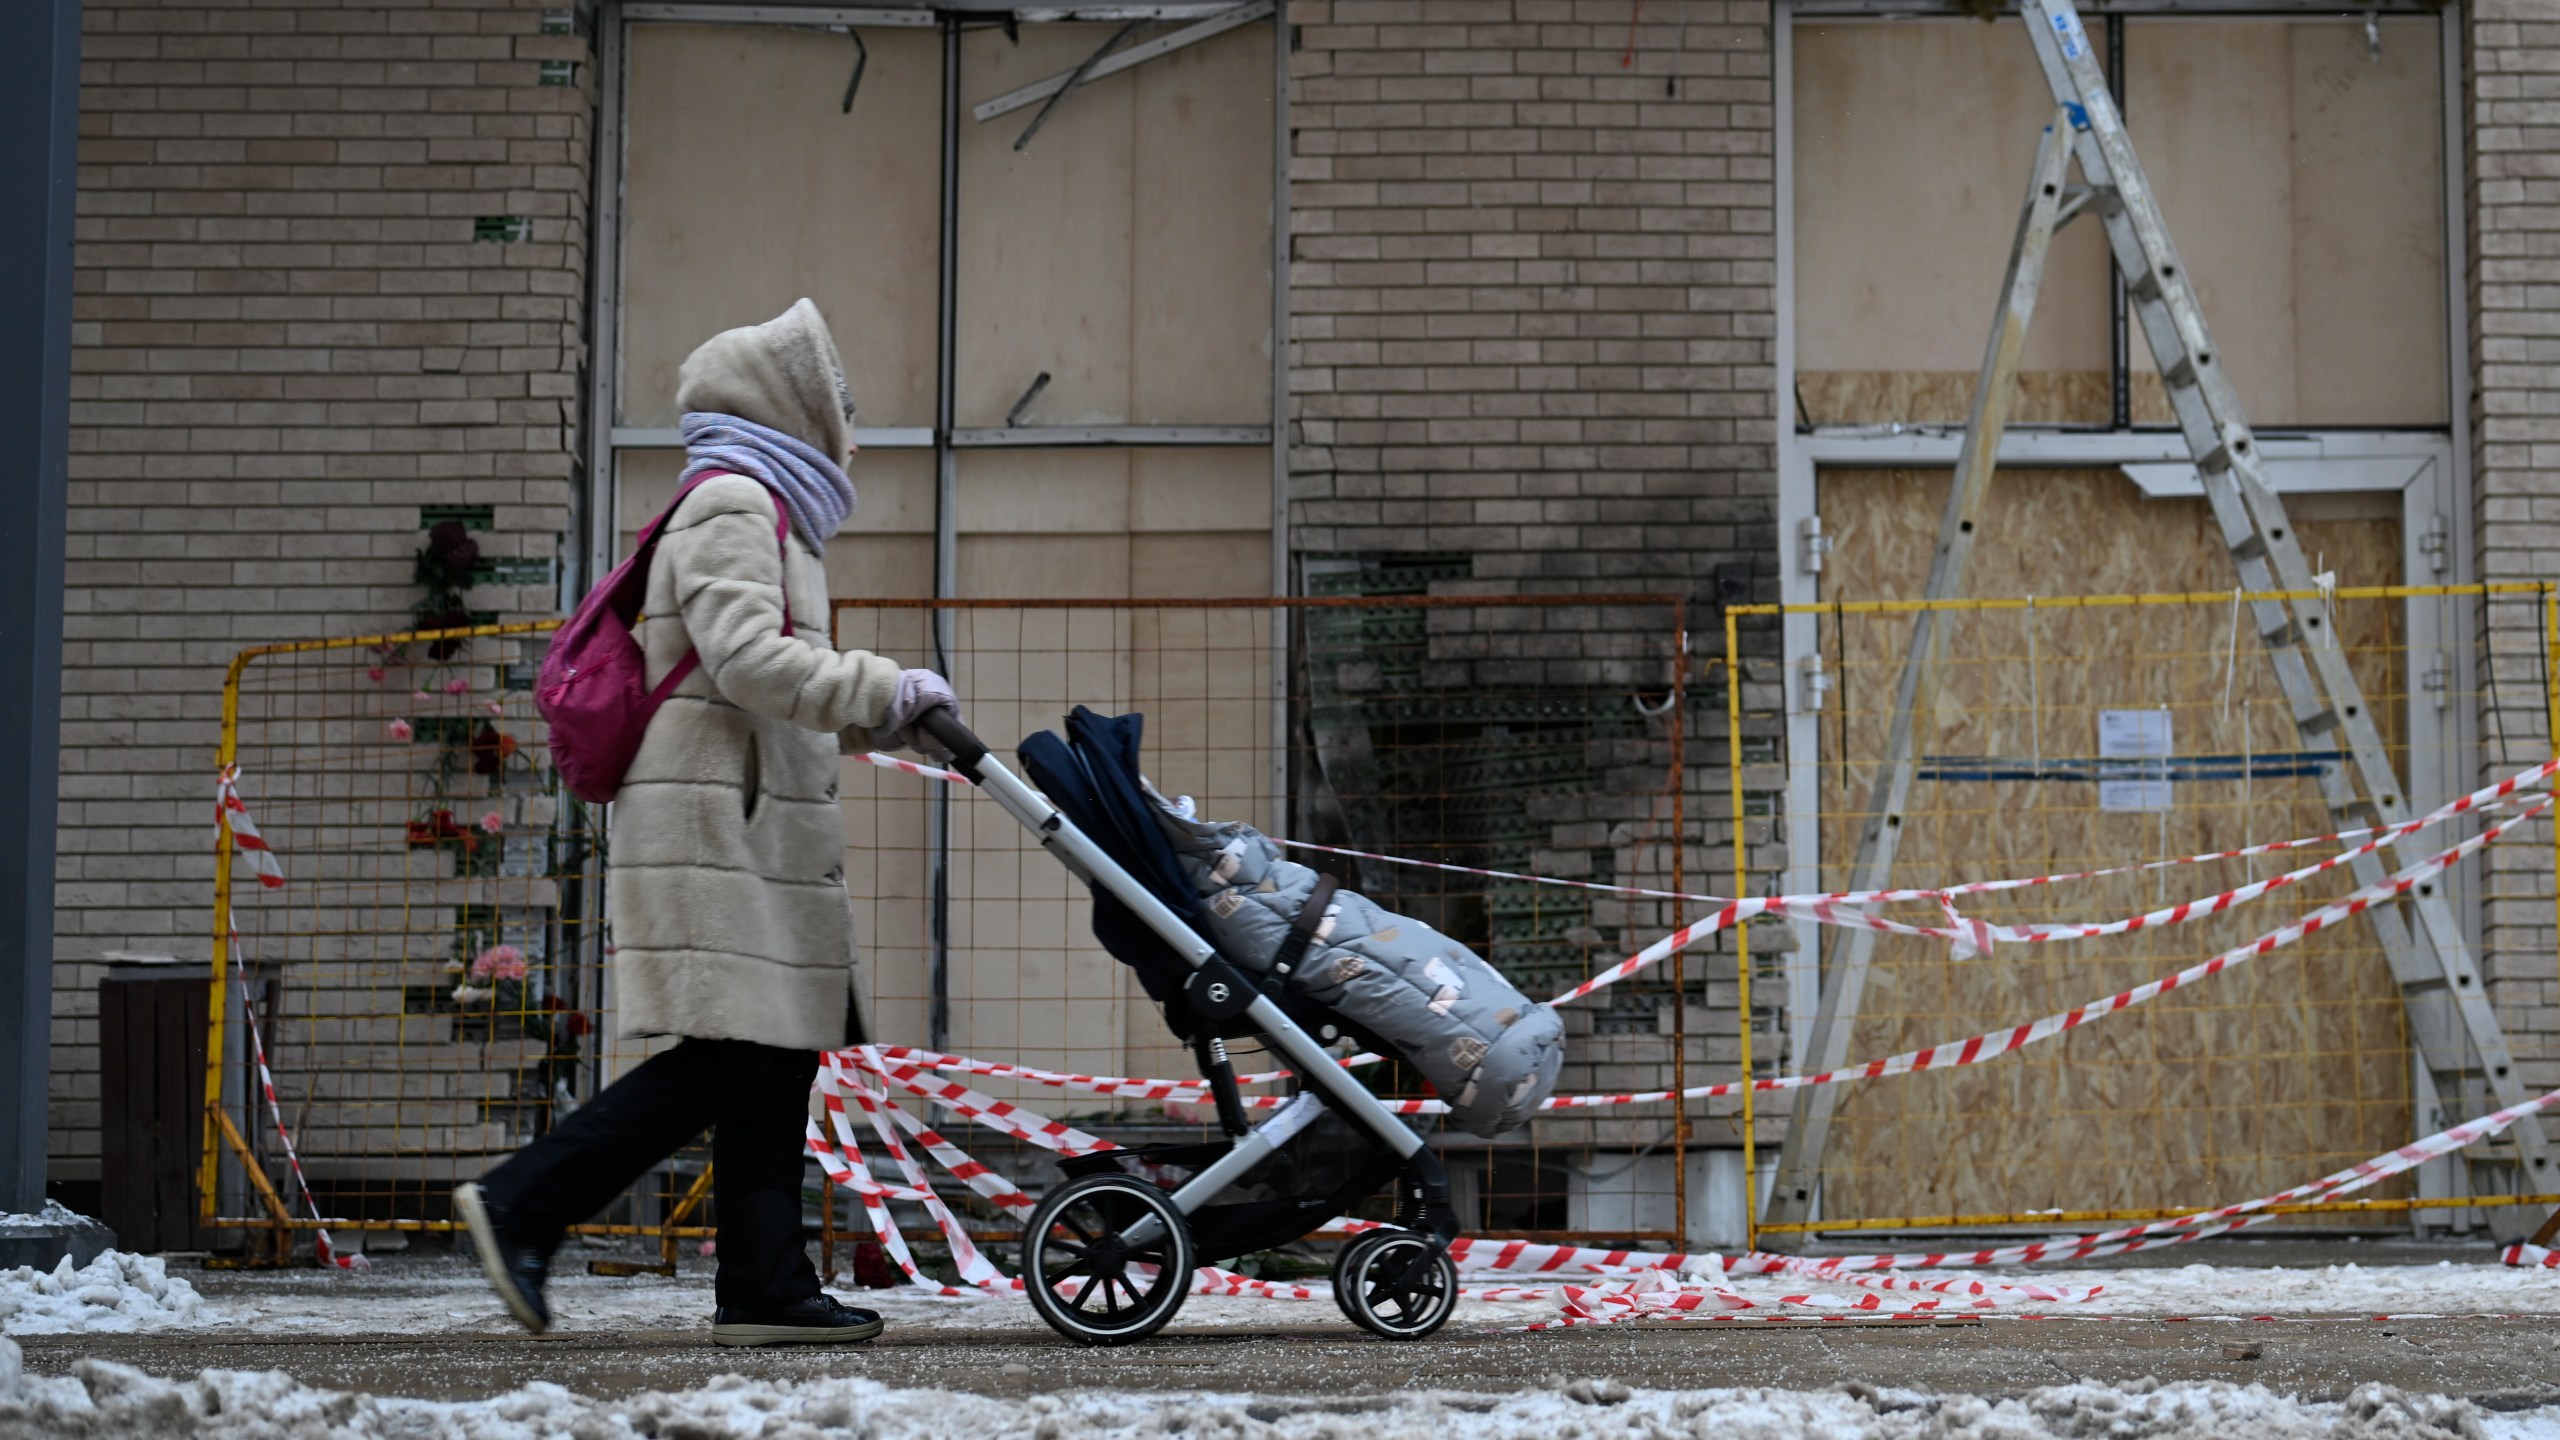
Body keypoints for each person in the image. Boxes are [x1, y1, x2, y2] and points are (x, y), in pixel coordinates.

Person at [455, 299, 954, 1347]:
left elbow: (756, 691)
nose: (851, 425)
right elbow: (743, 660)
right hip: (717, 830)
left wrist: (890, 722)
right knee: (736, 1055)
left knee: (778, 1055)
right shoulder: (734, 499)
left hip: (746, 825)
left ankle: (764, 1289)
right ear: (795, 403)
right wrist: (881, 685)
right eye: (841, 402)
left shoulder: (765, 505)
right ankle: (521, 1203)